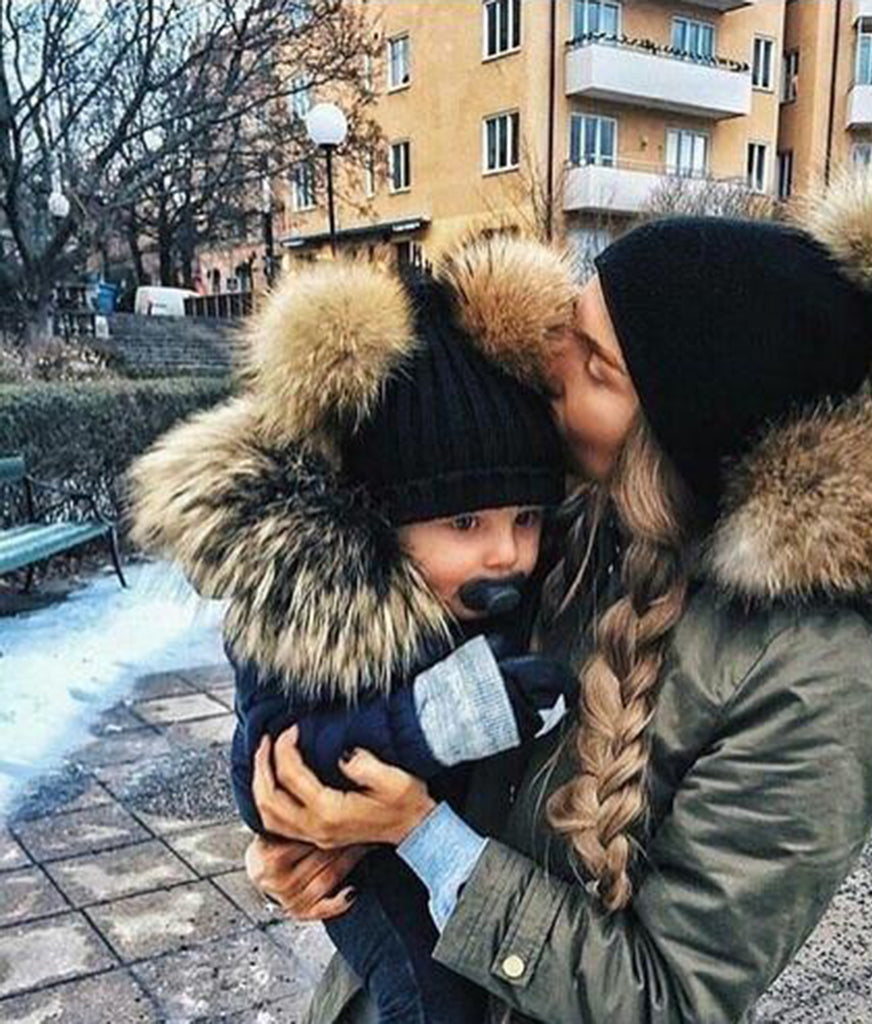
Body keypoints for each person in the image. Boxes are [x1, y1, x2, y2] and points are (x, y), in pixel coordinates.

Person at [245, 155, 872, 1024]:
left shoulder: (818, 686)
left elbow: (672, 1000)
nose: (549, 362)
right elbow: (373, 689)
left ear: (672, 437)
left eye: (595, 364)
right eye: (571, 327)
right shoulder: (554, 520)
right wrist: (306, 836)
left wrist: (420, 835)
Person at [128, 265, 581, 1023]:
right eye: (465, 524)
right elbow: (265, 763)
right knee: (426, 999)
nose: (508, 554)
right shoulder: (320, 610)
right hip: (370, 878)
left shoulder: (491, 588)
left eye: (527, 518)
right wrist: (436, 721)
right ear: (386, 523)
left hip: (471, 871)